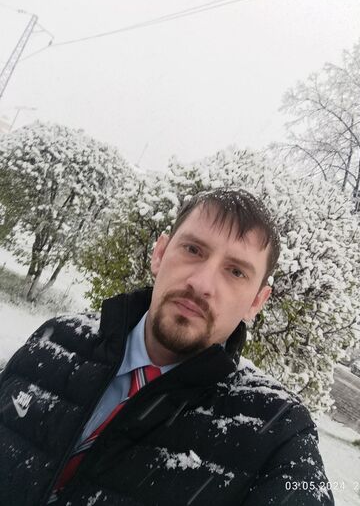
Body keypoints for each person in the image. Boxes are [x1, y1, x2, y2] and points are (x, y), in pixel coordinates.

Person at [0, 188, 334, 506]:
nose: (201, 284)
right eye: (193, 250)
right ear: (160, 253)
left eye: (235, 271)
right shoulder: (56, 339)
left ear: (256, 302)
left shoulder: (278, 430)